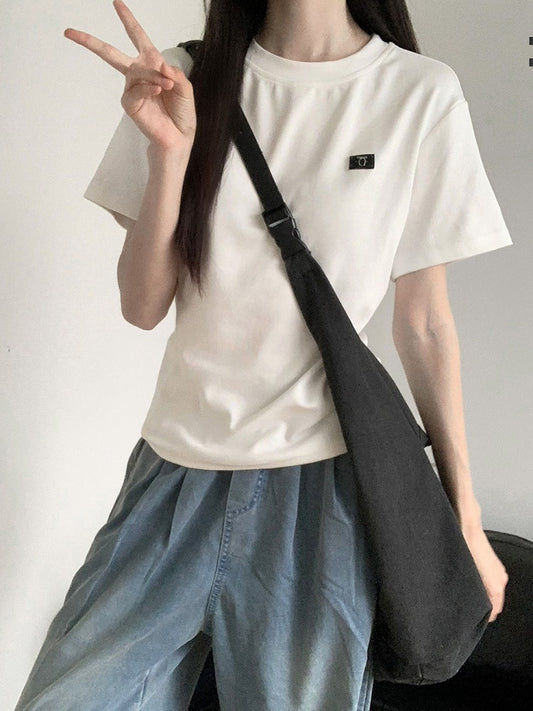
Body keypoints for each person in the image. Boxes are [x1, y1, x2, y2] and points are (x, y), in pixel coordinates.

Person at [15, 0, 512, 709]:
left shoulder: (417, 92)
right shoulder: (185, 77)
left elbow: (425, 322)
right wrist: (169, 155)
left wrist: (464, 514)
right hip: (172, 477)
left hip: (320, 497)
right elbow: (142, 305)